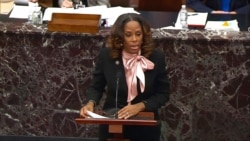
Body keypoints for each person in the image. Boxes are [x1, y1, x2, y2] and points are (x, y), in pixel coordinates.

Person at [79, 13, 169, 141]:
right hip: (112, 122)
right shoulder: (107, 56)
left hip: (145, 127)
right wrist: (90, 103)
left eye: (138, 34)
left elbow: (163, 94)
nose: (134, 39)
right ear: (120, 37)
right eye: (128, 35)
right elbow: (96, 86)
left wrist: (140, 106)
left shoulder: (156, 58)